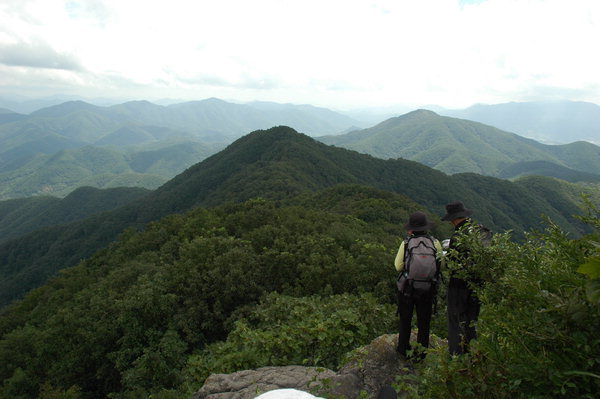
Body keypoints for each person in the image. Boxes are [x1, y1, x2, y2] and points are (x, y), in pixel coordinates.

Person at [394, 211, 444, 359]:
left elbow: (398, 266)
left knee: (405, 320)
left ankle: (403, 349)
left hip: (408, 289)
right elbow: (442, 265)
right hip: (428, 289)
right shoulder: (435, 243)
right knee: (424, 322)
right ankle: (421, 353)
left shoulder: (406, 243)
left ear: (411, 229)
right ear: (426, 227)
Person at [442, 200, 487, 355]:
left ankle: (457, 357)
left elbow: (450, 264)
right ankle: (473, 356)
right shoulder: (480, 230)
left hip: (458, 286)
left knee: (456, 323)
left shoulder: (458, 235)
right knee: (472, 322)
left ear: (453, 219)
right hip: (477, 285)